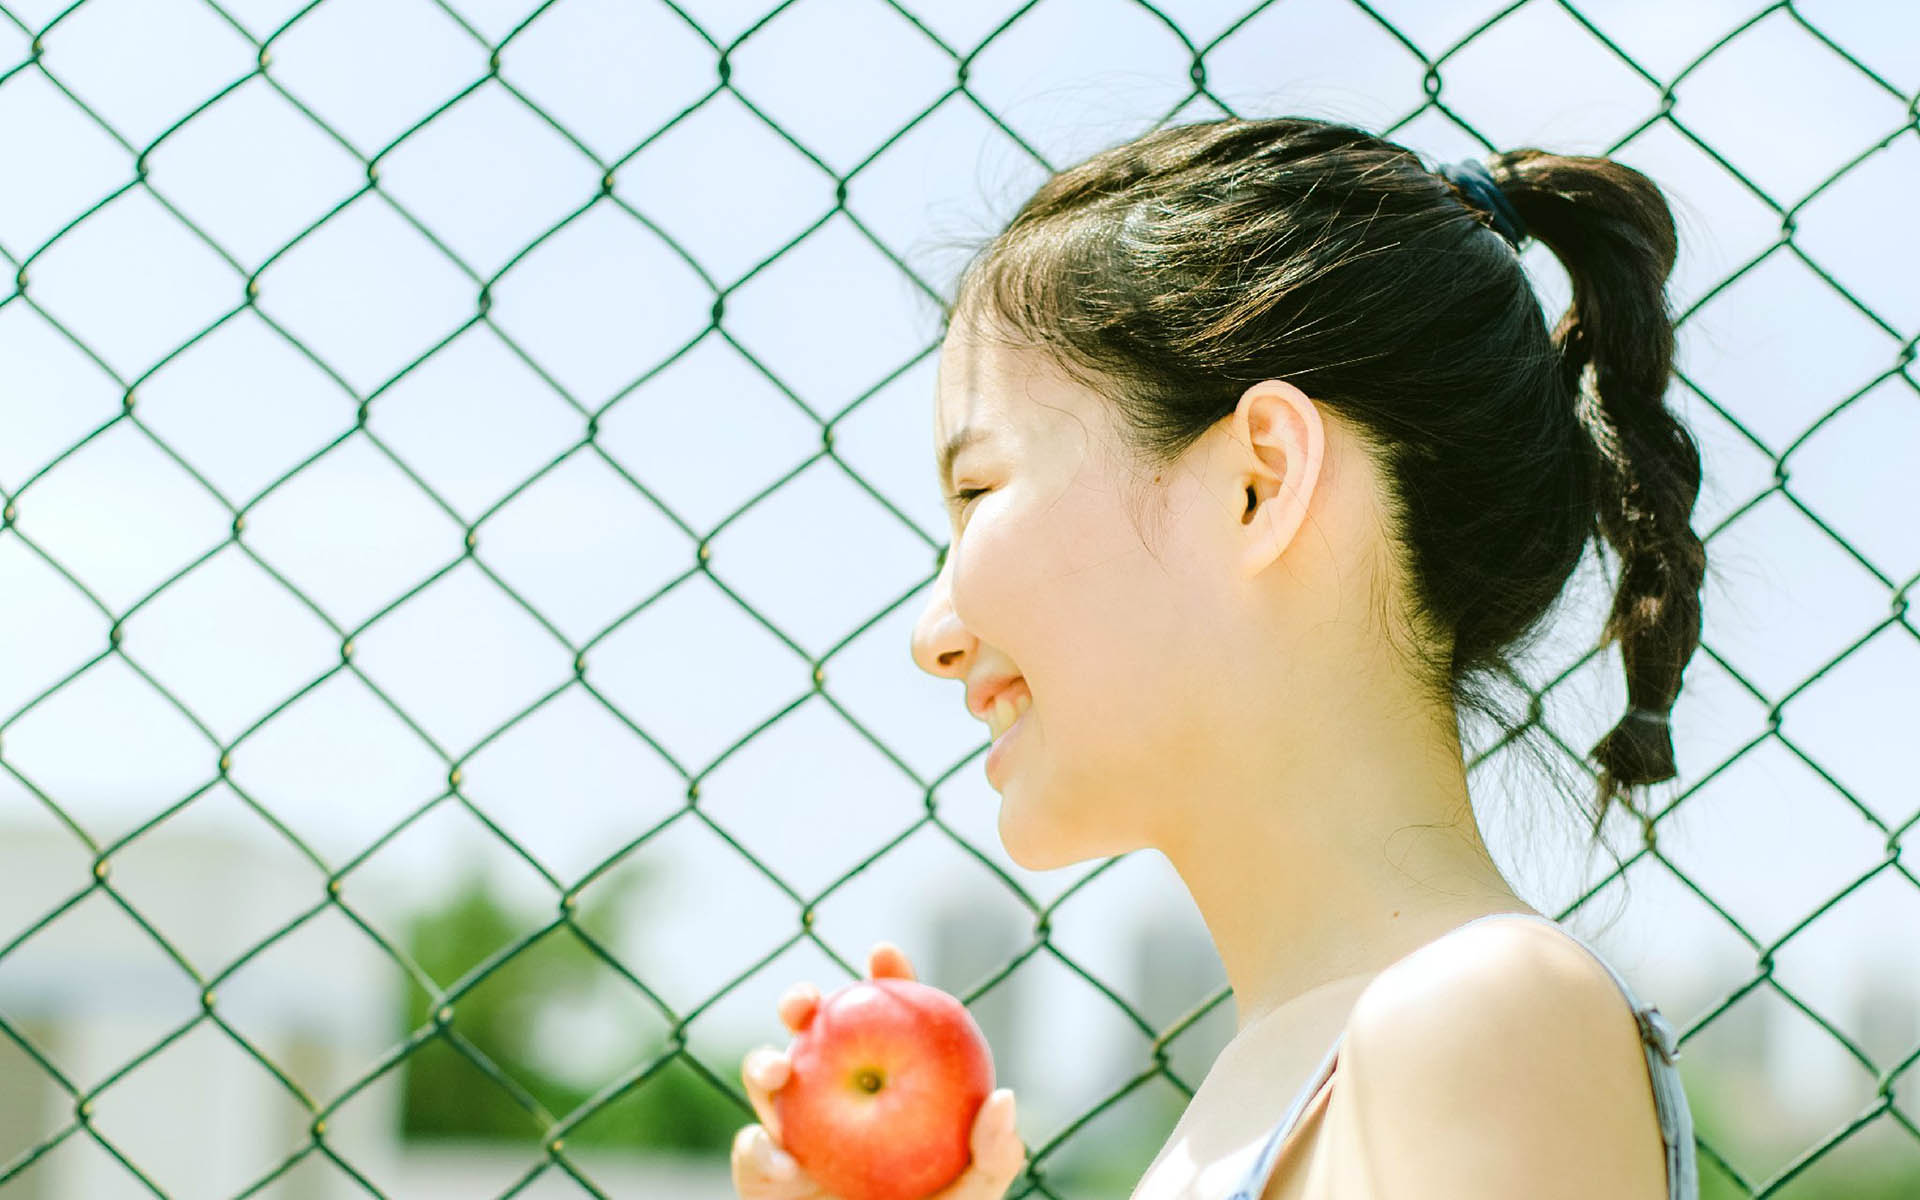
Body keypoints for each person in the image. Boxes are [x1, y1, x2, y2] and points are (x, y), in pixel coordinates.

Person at [734, 115, 1706, 1200]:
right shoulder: (1294, 1069)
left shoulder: (1481, 1019)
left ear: (1259, 480)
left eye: (978, 491)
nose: (935, 634)